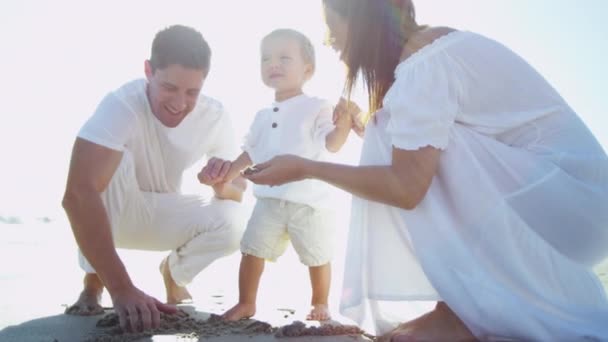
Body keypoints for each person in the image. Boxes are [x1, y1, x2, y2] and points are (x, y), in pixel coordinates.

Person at [240, 1, 608, 341]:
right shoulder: (430, 51)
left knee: (388, 128)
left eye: (333, 31)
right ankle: (459, 306)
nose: (331, 43)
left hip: (571, 202)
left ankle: (460, 313)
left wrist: (306, 167)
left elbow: (406, 185)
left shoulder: (425, 60)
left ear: (364, 19)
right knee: (389, 128)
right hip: (574, 205)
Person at [62, 25, 247, 333]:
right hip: (116, 211)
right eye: (169, 87)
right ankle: (94, 282)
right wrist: (122, 289)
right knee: (103, 168)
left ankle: (175, 274)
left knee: (235, 219)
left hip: (160, 215)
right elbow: (77, 195)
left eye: (192, 92)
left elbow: (238, 192)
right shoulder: (121, 104)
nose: (179, 103)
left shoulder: (214, 115)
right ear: (148, 71)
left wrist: (221, 183)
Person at [198, 28, 352, 322]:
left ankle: (320, 303)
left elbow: (331, 144)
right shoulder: (262, 116)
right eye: (266, 58)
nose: (273, 64)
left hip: (310, 203)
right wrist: (225, 175)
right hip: (268, 200)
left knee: (317, 255)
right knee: (251, 250)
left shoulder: (317, 106)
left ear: (308, 70)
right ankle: (246, 303)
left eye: (284, 58)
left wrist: (343, 124)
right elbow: (250, 153)